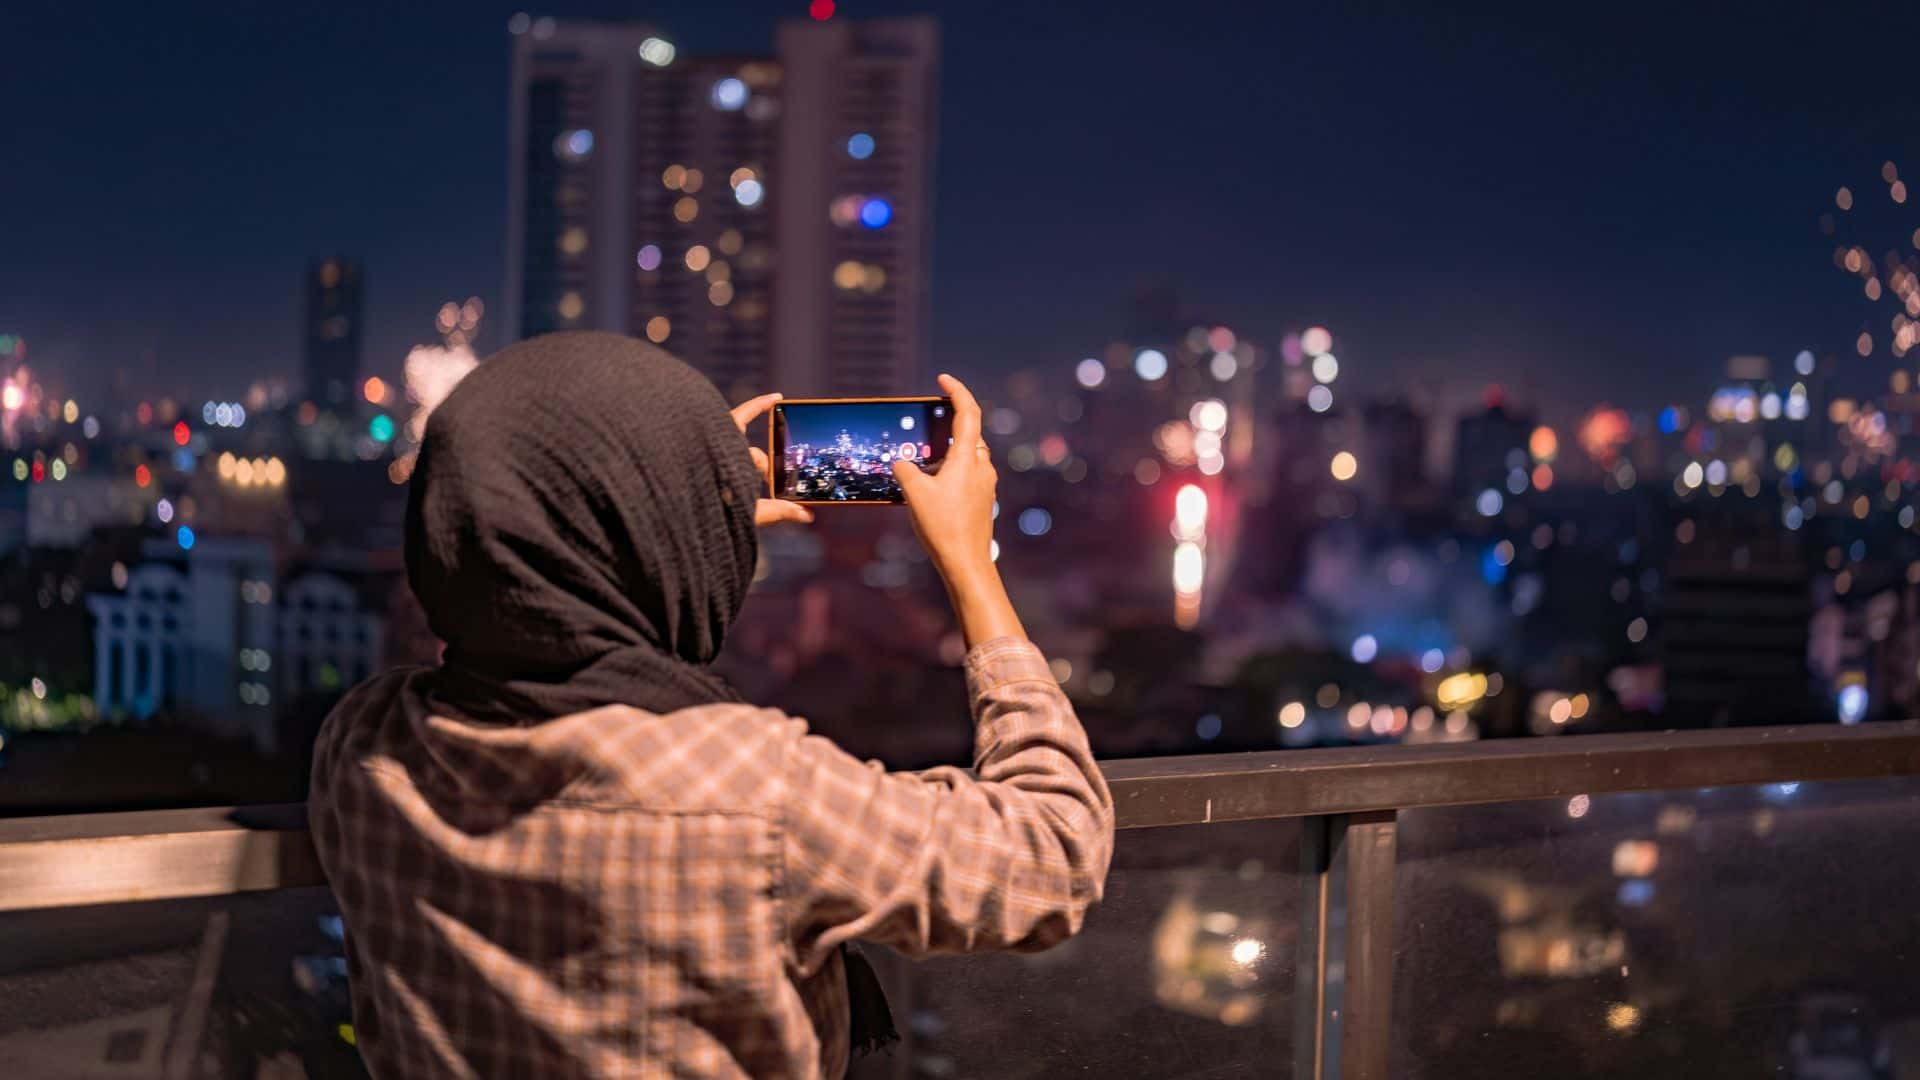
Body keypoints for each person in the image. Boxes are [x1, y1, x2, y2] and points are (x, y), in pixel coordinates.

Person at [309, 331, 1115, 1078]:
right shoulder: (753, 791)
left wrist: (683, 512)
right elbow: (1054, 855)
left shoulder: (364, 743)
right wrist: (970, 564)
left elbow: (544, 635)